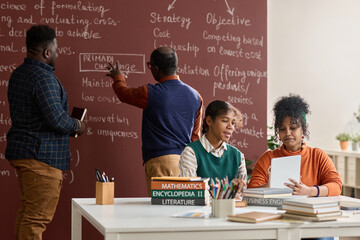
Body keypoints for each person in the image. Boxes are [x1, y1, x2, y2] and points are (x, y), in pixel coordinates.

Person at [5, 25, 85, 240]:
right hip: (42, 158)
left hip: (25, 154)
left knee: (28, 216)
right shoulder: (44, 78)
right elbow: (57, 120)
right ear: (47, 52)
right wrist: (78, 125)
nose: (58, 53)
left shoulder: (18, 74)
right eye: (56, 49)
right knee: (36, 220)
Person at [106, 47, 203, 195]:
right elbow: (195, 137)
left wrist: (118, 77)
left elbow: (124, 94)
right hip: (186, 163)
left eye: (150, 66)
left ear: (156, 68)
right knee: (181, 212)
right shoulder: (196, 96)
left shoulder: (150, 93)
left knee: (161, 212)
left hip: (161, 162)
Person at [248, 94, 342, 197]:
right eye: (282, 129)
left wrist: (310, 191)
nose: (287, 133)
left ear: (303, 129)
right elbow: (250, 191)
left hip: (308, 212)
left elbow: (336, 186)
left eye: (293, 128)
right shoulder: (267, 158)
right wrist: (268, 187)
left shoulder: (318, 156)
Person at [179, 100, 247, 182]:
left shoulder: (238, 156)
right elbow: (190, 190)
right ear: (209, 121)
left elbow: (243, 190)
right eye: (225, 121)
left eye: (233, 123)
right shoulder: (191, 152)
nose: (231, 127)